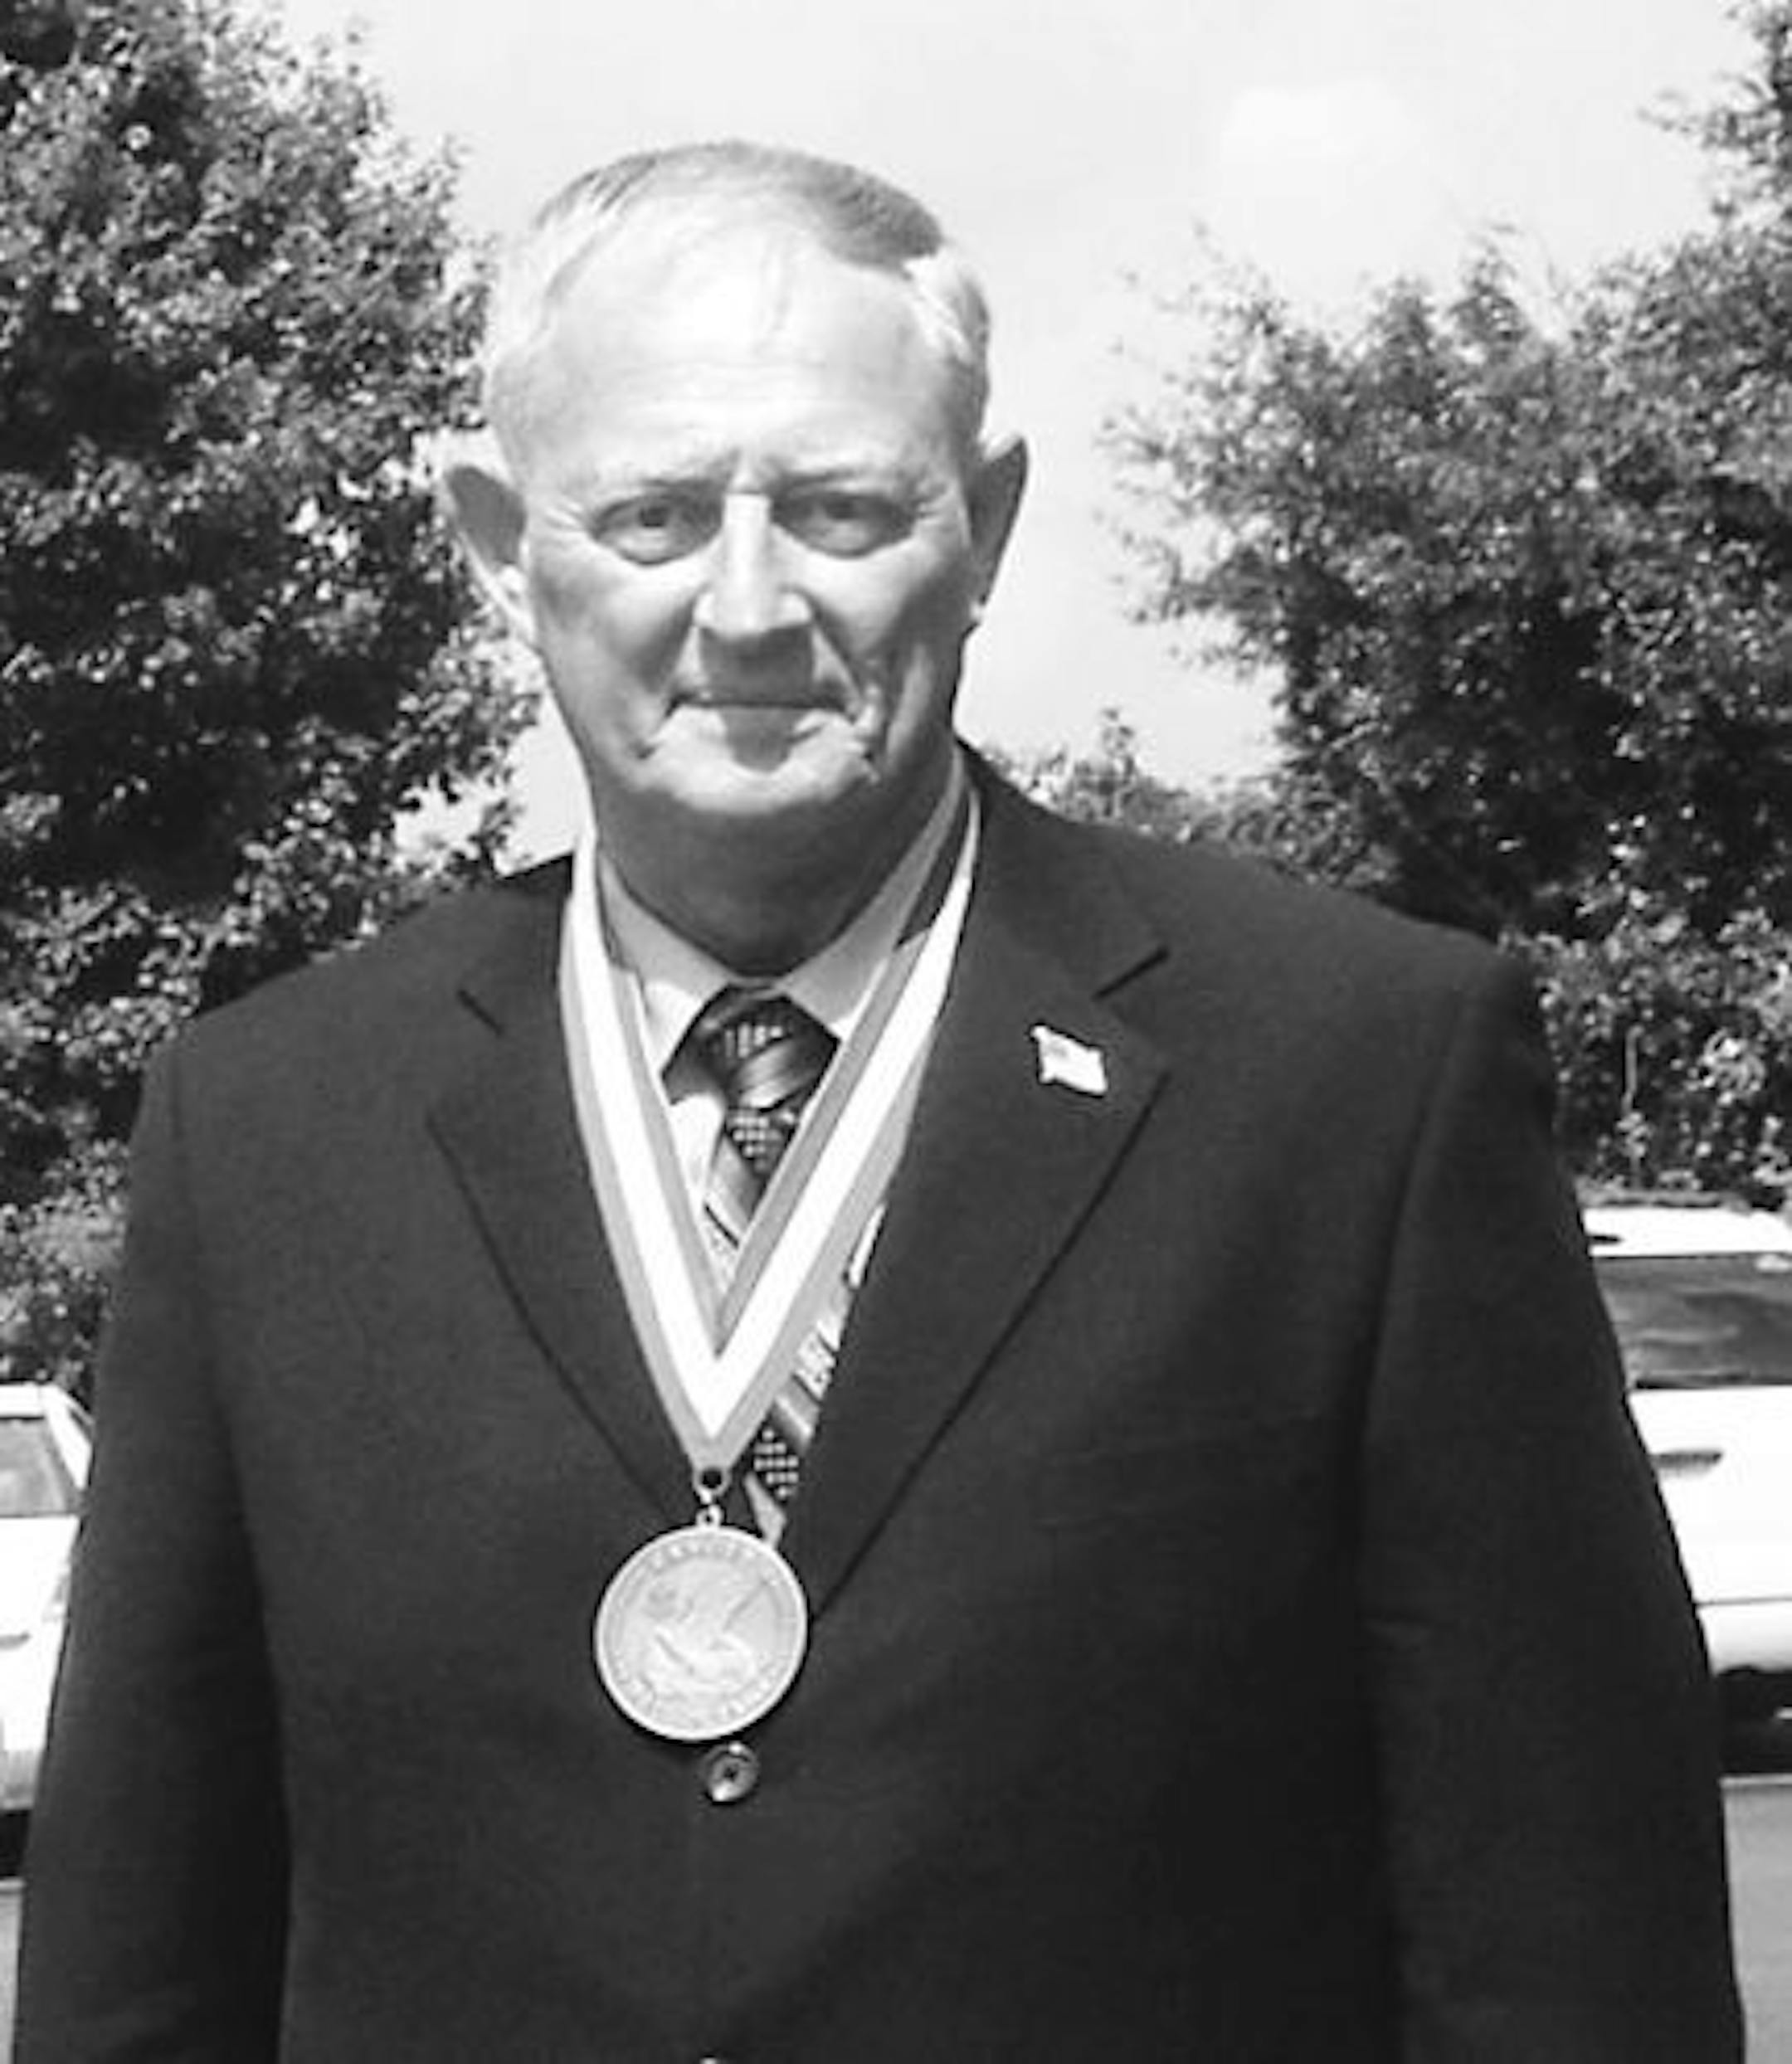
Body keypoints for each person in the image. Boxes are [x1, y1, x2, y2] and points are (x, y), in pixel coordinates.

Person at [17, 140, 1742, 2062]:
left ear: (985, 526)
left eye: (840, 509)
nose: (748, 606)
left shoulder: (1356, 1077)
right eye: (655, 516)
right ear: (503, 543)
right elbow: (137, 1964)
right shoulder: (266, 1131)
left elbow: (1574, 1948)